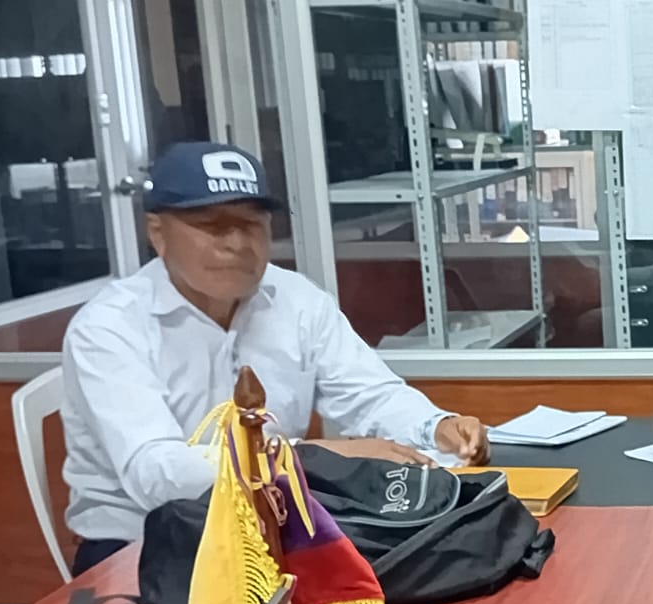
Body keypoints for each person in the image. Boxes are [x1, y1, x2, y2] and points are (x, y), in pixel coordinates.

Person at [60, 141, 489, 575]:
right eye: (212, 226)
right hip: (142, 548)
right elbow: (156, 474)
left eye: (252, 224)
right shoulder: (109, 327)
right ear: (157, 233)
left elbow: (370, 395)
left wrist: (436, 426)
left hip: (280, 531)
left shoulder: (296, 300)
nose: (236, 243)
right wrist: (312, 459)